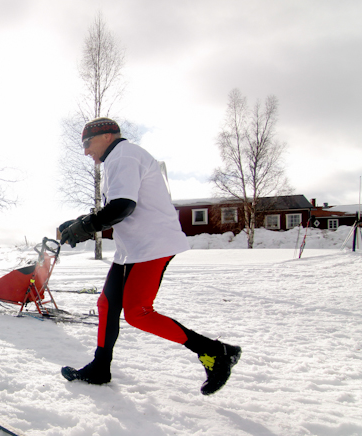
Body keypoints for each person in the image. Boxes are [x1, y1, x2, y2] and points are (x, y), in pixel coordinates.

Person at [57, 118, 241, 395]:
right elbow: (118, 206)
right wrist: (78, 222)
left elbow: (122, 207)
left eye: (87, 143)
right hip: (133, 248)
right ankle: (100, 366)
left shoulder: (123, 156)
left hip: (151, 246)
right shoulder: (119, 158)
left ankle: (216, 352)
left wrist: (84, 228)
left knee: (137, 313)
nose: (85, 151)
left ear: (107, 136)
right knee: (108, 303)